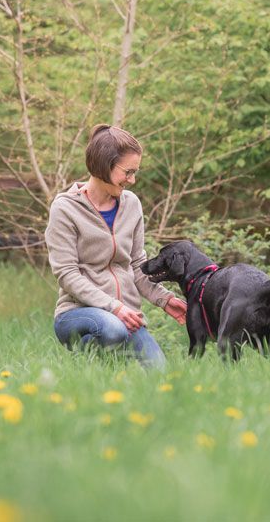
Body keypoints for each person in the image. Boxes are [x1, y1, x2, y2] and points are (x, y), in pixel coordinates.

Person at [44, 124, 187, 368]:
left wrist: (164, 299)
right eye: (128, 172)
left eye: (135, 172)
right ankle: (85, 362)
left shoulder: (131, 205)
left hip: (125, 317)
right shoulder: (65, 209)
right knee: (112, 328)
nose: (132, 180)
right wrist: (114, 307)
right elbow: (67, 274)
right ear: (104, 164)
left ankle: (101, 373)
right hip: (76, 314)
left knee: (160, 373)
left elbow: (137, 265)